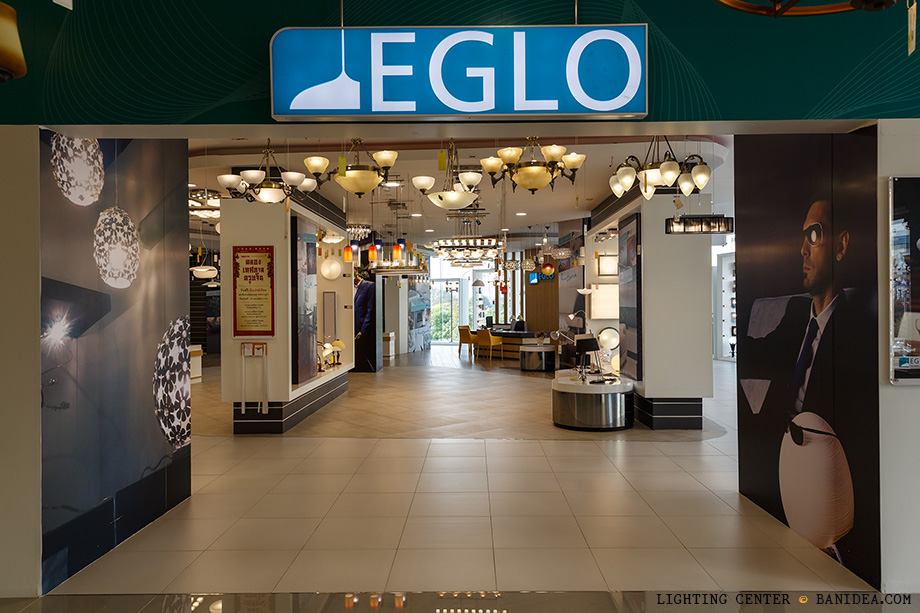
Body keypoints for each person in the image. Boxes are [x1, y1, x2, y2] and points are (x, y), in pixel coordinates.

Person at [739, 198, 875, 567]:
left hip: (818, 466)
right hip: (776, 453)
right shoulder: (796, 315)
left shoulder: (858, 332)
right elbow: (758, 353)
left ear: (841, 246)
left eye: (814, 235)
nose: (802, 249)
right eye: (803, 237)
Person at [353, 269, 377, 371]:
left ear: (356, 271)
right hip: (350, 327)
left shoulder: (369, 286)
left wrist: (363, 330)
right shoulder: (347, 287)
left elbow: (370, 310)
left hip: (362, 328)